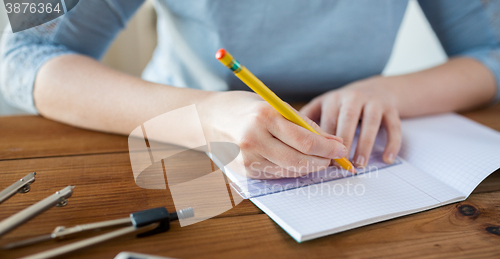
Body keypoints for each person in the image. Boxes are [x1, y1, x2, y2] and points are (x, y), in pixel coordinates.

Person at [0, 0, 498, 179]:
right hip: (179, 146)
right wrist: (205, 115)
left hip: (351, 156)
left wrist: (394, 91)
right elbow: (17, 55)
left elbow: (492, 48)